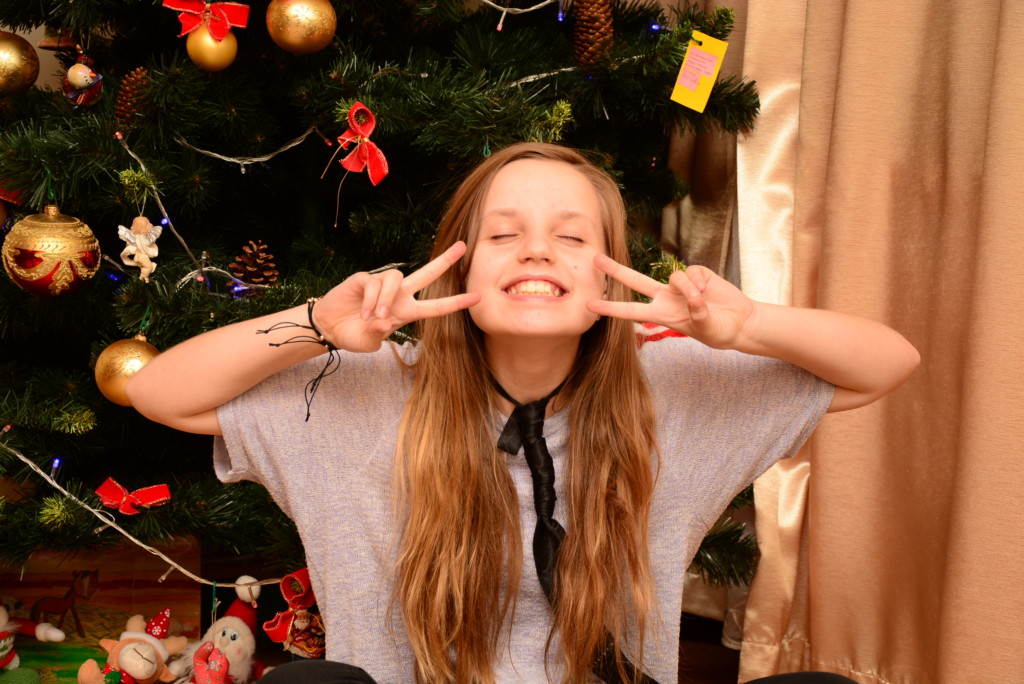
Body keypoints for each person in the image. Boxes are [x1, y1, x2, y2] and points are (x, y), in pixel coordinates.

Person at [126, 142, 919, 684]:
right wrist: (317, 325)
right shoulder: (360, 393)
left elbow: (888, 364)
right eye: (504, 234)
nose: (537, 250)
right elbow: (159, 392)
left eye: (571, 238)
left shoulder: (674, 391)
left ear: (609, 275)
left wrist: (747, 328)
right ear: (459, 268)